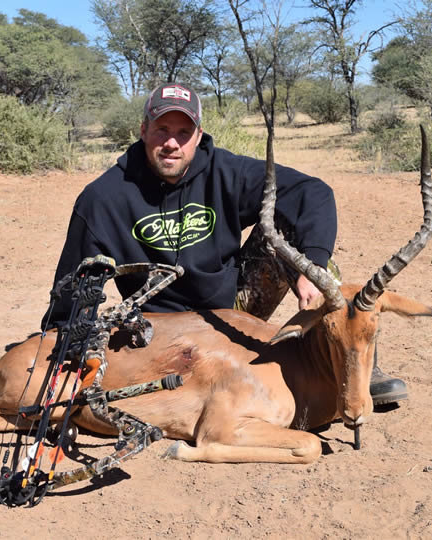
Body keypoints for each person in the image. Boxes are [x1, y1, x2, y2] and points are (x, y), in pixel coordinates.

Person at [43, 82, 407, 405]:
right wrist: (58, 340)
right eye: (162, 130)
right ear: (143, 130)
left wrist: (310, 265)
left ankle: (360, 369)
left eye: (184, 132)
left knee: (307, 255)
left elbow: (313, 192)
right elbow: (77, 282)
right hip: (159, 328)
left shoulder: (224, 171)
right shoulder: (103, 197)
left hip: (233, 311)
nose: (172, 143)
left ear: (198, 136)